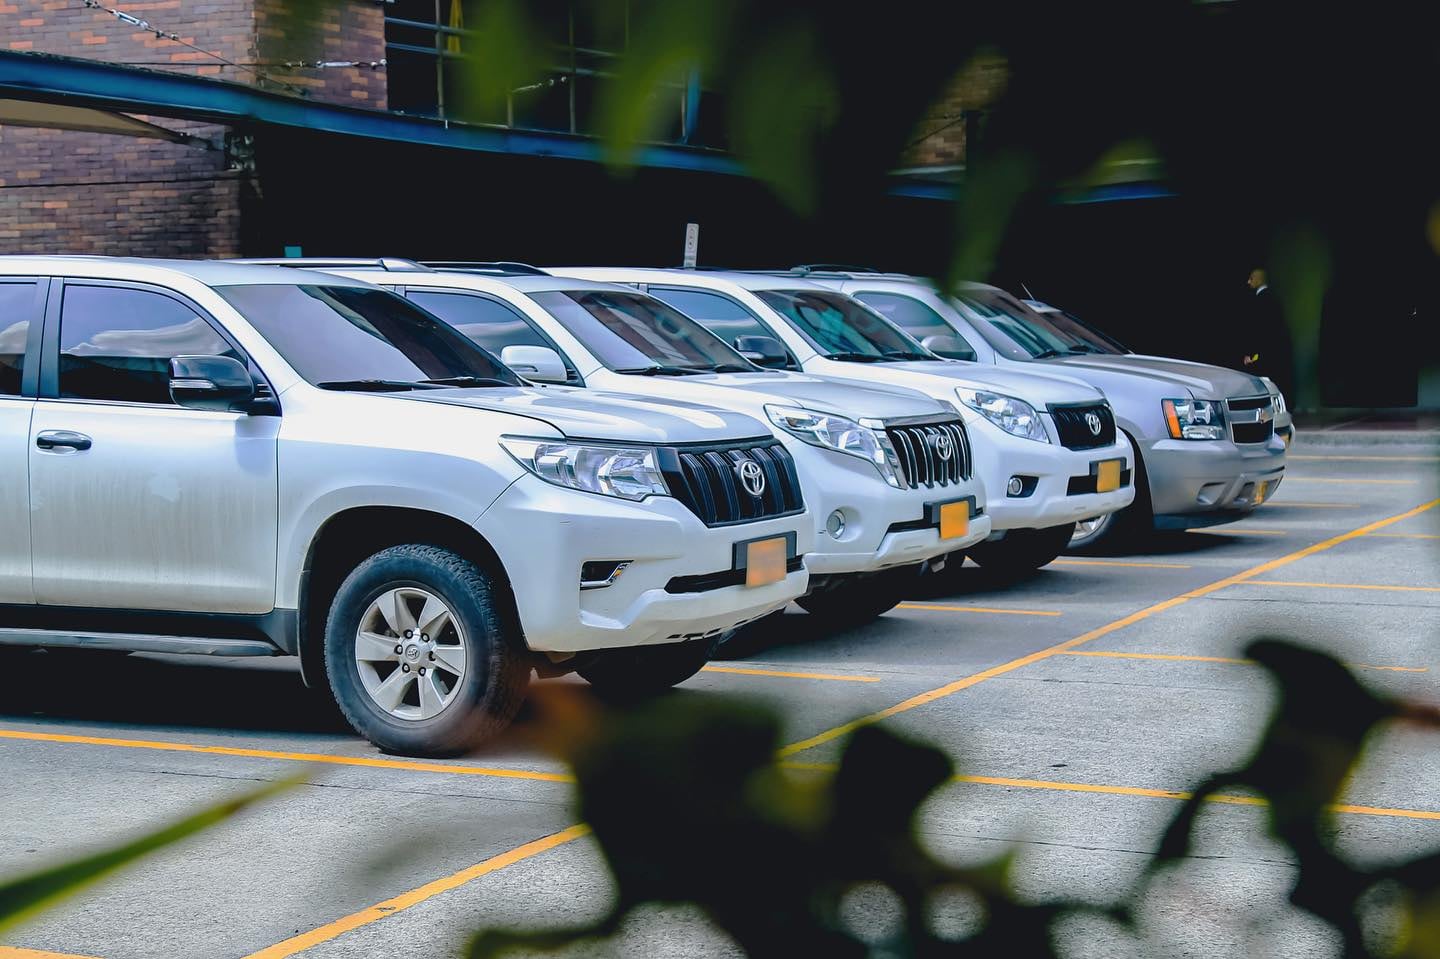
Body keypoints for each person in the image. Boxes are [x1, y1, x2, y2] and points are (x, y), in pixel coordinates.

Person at [1241, 268, 1294, 399]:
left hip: (1264, 353)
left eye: (1251, 278)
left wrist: (1250, 353)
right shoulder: (1275, 298)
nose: (1248, 282)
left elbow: (1257, 329)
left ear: (1258, 280)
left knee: (1263, 384)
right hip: (1276, 352)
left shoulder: (1260, 300)